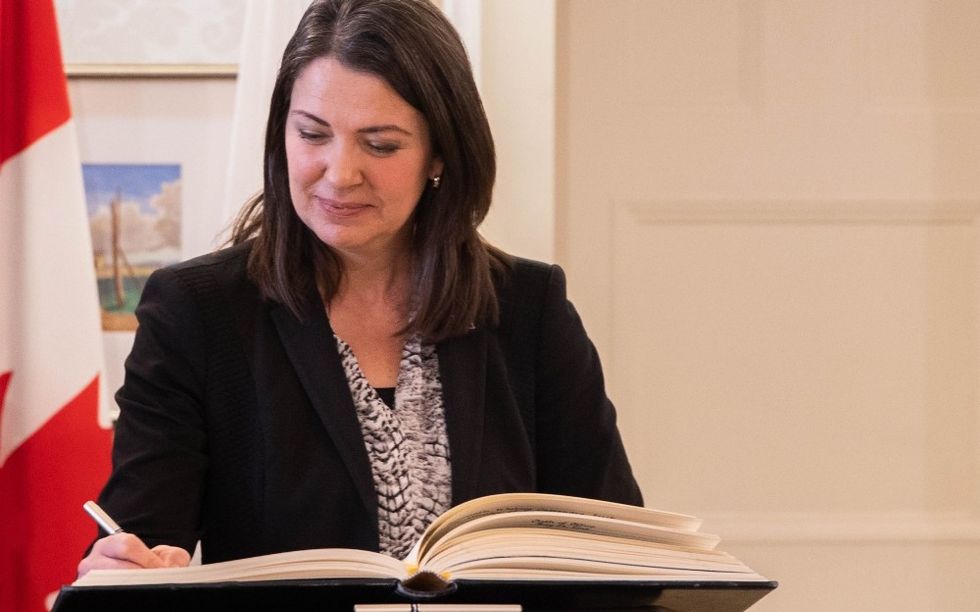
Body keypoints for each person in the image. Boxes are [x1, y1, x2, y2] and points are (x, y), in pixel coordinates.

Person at [78, 0, 641, 577]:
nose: (340, 172)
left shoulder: (529, 308)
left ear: (440, 154)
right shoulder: (197, 312)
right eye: (313, 134)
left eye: (381, 144)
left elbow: (616, 552)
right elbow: (138, 539)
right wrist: (125, 567)